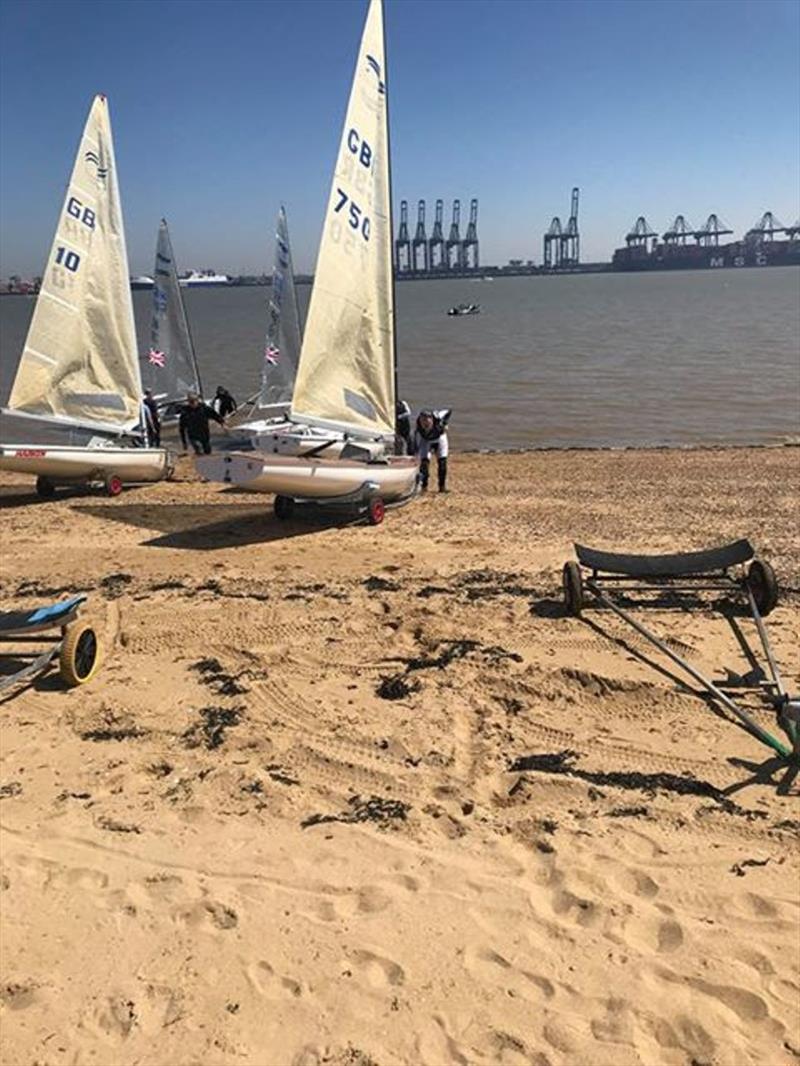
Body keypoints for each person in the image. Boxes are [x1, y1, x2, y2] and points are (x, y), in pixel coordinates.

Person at [414, 408, 452, 493]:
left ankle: (442, 487)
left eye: (427, 422)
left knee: (442, 463)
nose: (425, 424)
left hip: (440, 439)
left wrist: (445, 422)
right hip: (426, 441)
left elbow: (449, 411)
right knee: (424, 464)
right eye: (423, 421)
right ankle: (424, 487)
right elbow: (416, 443)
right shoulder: (418, 429)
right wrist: (416, 453)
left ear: (432, 420)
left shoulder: (438, 417)